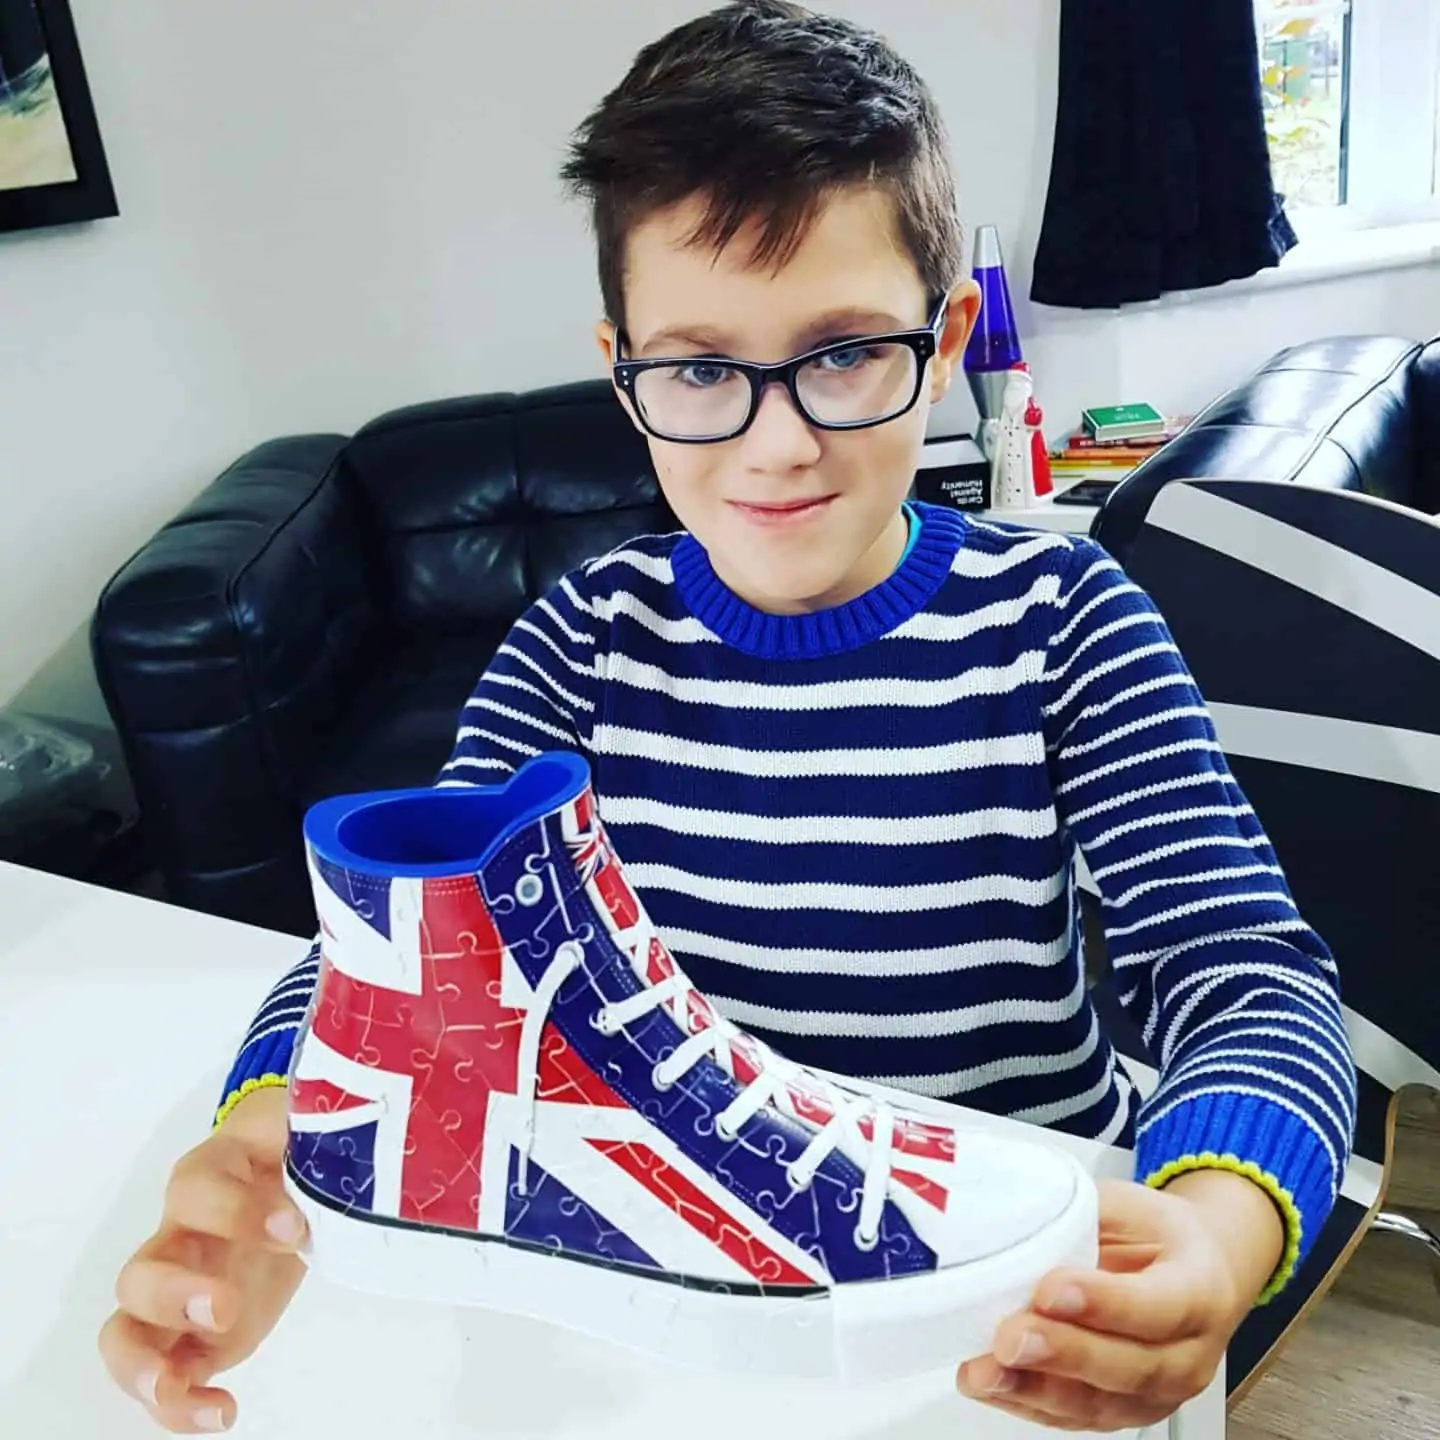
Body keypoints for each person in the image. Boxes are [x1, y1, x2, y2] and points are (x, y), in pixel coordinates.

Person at [99, 2, 1357, 1432]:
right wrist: (281, 1127)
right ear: (624, 373)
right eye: (700, 369)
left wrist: (1217, 1231)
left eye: (842, 353)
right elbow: (395, 958)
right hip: (685, 1300)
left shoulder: (1065, 619)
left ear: (943, 342)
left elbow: (1248, 977)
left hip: (1008, 1305)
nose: (777, 439)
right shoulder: (580, 643)